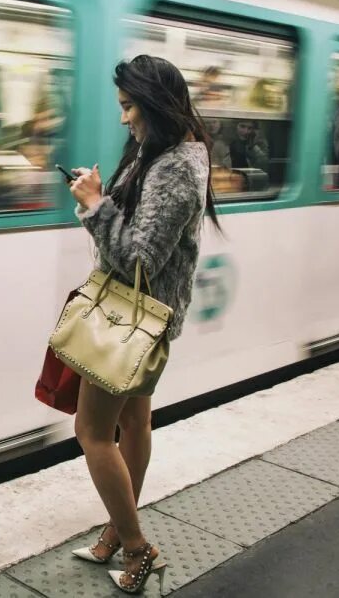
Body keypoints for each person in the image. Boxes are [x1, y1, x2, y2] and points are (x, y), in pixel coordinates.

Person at [64, 55, 219, 594]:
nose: (124, 118)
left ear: (155, 105)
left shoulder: (175, 166)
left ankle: (137, 548)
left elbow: (138, 259)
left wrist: (94, 206)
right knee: (134, 424)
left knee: (91, 432)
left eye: (130, 107)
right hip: (138, 318)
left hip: (130, 323)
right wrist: (104, 197)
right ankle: (116, 530)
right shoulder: (162, 152)